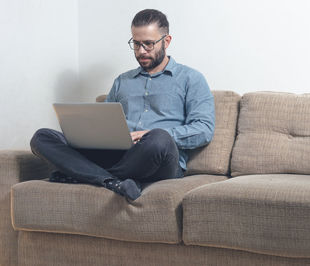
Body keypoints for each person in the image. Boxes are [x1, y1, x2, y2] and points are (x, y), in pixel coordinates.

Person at [30, 9, 215, 201]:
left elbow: (204, 130)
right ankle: (110, 181)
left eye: (149, 44)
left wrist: (148, 135)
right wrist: (90, 135)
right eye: (136, 43)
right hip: (119, 155)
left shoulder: (191, 79)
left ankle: (83, 174)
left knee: (159, 137)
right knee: (42, 137)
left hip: (158, 158)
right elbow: (103, 124)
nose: (141, 51)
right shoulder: (122, 81)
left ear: (166, 41)